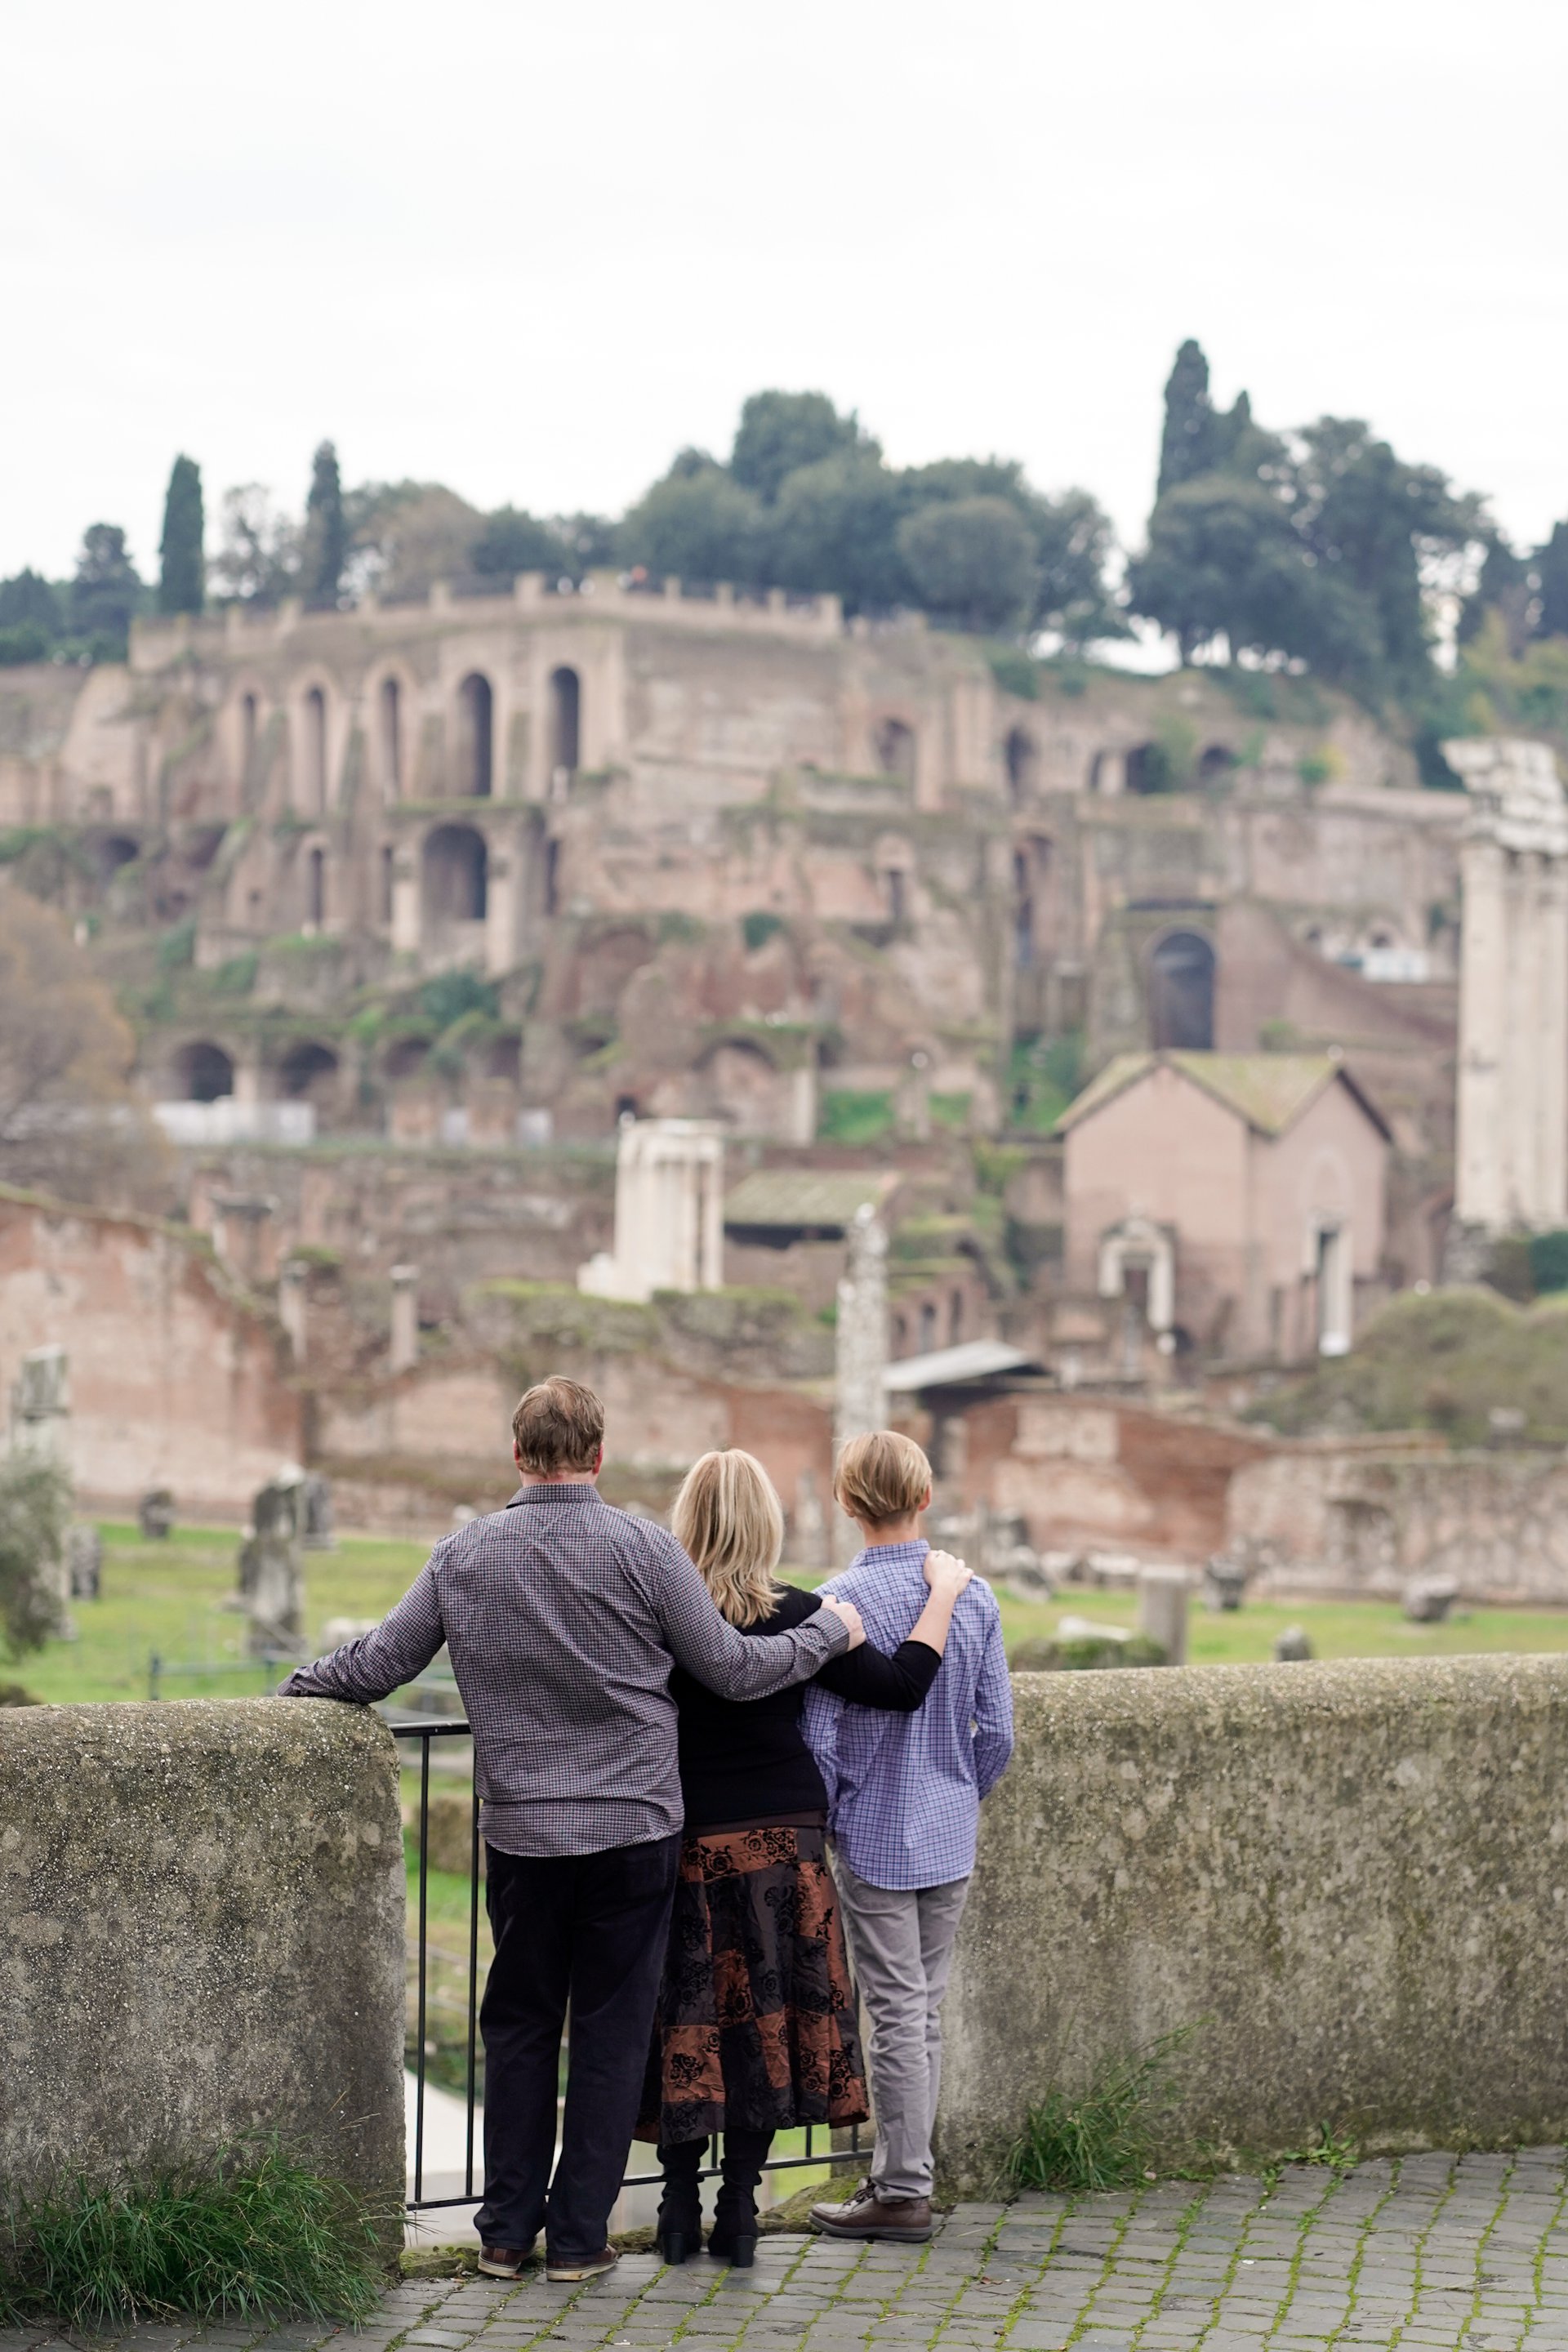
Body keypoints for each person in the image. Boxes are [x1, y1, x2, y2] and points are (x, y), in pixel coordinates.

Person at [277, 1377, 866, 2285]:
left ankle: (506, 2234)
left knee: (516, 2028)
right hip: (635, 1832)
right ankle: (580, 2241)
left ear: (517, 1455)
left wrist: (293, 1692)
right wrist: (824, 1635)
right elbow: (737, 1672)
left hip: (522, 1836)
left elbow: (379, 1663)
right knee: (611, 2031)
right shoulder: (643, 1548)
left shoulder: (462, 1555)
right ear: (598, 1455)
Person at [635, 1447, 973, 2269]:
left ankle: (677, 2210)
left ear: (685, 1521)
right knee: (766, 2022)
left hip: (688, 1839)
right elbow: (900, 1686)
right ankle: (740, 2215)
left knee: (691, 2020)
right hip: (786, 1844)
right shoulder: (804, 1613)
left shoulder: (660, 1614)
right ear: (768, 1522)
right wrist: (944, 1595)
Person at [803, 1430, 1013, 2244]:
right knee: (921, 2008)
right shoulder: (976, 1597)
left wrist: (839, 1817)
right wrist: (959, 1791)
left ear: (848, 1503)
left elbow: (819, 1742)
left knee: (893, 2011)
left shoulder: (835, 1605)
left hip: (874, 1833)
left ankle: (901, 2188)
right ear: (925, 1497)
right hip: (948, 1831)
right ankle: (905, 2177)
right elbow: (995, 1731)